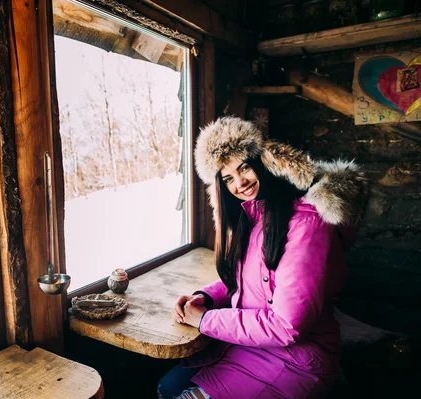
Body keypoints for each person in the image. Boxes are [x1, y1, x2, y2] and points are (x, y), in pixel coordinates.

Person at [158, 117, 368, 399]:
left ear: (265, 162)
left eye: (244, 167)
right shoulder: (252, 217)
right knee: (166, 387)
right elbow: (245, 282)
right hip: (248, 344)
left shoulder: (306, 224)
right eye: (227, 178)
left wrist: (206, 320)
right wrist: (206, 298)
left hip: (296, 360)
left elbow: (287, 325)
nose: (240, 183)